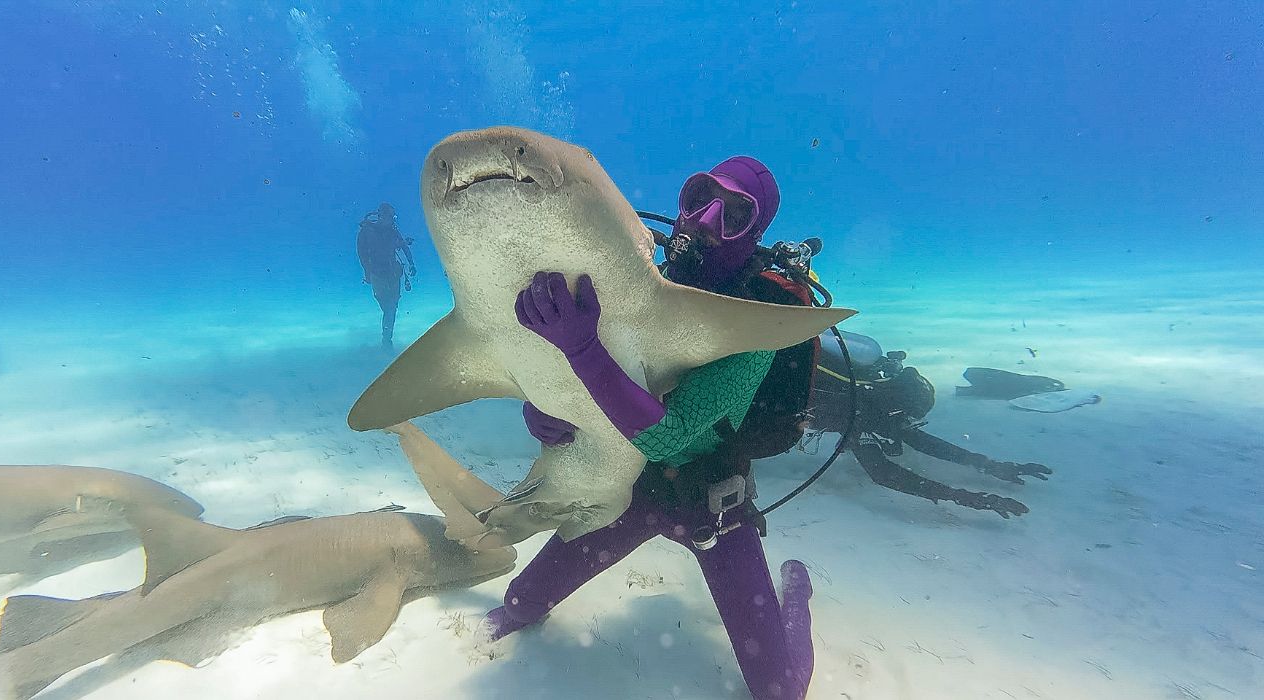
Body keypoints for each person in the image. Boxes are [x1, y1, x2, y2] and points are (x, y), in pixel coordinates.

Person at [486, 157, 819, 700]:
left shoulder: (762, 322)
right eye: (698, 199)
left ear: (755, 233)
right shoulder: (638, 277)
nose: (704, 222)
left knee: (780, 692)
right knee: (520, 604)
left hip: (709, 503)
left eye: (734, 214)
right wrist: (541, 408)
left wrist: (583, 349)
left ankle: (796, 594)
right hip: (632, 492)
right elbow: (579, 383)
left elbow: (672, 434)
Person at [802, 332, 1052, 518]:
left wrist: (989, 465)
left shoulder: (873, 393)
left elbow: (919, 441)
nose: (907, 424)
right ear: (895, 408)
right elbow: (883, 474)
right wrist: (962, 497)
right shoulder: (859, 410)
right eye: (907, 417)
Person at [355, 202, 416, 349]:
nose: (393, 219)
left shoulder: (392, 230)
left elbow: (403, 246)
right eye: (390, 216)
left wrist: (411, 264)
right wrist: (367, 272)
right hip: (377, 274)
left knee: (392, 307)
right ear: (381, 215)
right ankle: (386, 338)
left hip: (393, 272)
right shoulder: (367, 231)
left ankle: (387, 340)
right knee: (387, 307)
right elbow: (361, 254)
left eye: (394, 216)